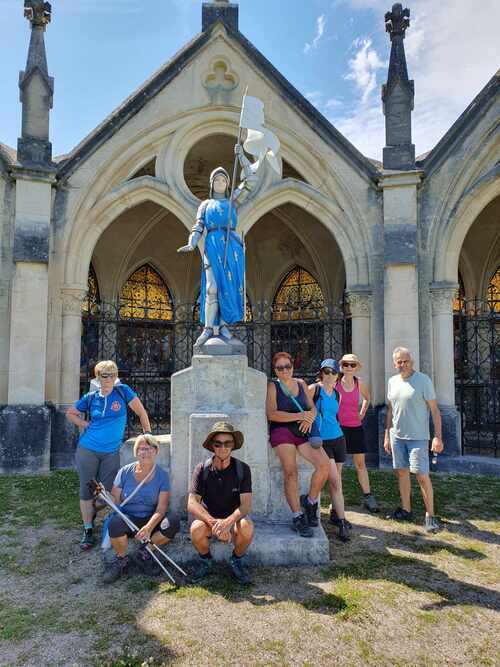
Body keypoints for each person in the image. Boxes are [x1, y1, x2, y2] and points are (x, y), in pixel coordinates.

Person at [66, 360, 151, 551]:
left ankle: (92, 511)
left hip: (111, 453)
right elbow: (70, 413)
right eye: (104, 375)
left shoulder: (122, 391)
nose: (109, 379)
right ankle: (88, 529)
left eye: (112, 375)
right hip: (87, 450)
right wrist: (86, 425)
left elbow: (141, 412)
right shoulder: (91, 397)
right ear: (97, 377)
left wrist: (148, 434)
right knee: (86, 489)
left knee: (107, 494)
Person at [177, 144, 256, 346]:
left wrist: (242, 157)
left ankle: (223, 327)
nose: (220, 182)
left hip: (231, 248)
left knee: (227, 287)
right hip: (212, 246)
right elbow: (198, 226)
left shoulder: (232, 201)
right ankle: (208, 329)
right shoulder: (205, 205)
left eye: (223, 179)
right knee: (212, 288)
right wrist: (191, 243)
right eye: (217, 179)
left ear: (227, 183)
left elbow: (251, 181)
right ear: (211, 183)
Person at [266, 352, 330, 537]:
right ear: (275, 370)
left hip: (303, 431)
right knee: (290, 471)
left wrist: (309, 417)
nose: (284, 370)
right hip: (282, 431)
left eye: (287, 366)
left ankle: (310, 502)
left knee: (324, 465)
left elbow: (313, 407)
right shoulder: (273, 386)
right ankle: (297, 516)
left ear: (293, 367)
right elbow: (272, 414)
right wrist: (300, 416)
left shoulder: (301, 384)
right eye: (280, 368)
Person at [102, 434, 179, 583]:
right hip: (128, 517)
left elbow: (161, 507)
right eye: (142, 449)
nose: (146, 452)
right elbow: (115, 499)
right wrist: (104, 497)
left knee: (173, 522)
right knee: (115, 524)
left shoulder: (162, 476)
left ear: (156, 451)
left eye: (150, 448)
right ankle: (121, 560)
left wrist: (149, 528)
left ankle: (144, 552)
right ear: (136, 452)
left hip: (151, 517)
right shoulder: (124, 472)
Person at [384, 347, 444, 533]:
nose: (402, 365)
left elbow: (434, 410)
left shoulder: (423, 380)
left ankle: (430, 516)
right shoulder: (392, 381)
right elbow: (390, 410)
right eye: (399, 362)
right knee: (402, 473)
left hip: (418, 437)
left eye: (406, 361)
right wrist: (387, 435)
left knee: (421, 475)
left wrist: (437, 437)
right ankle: (406, 509)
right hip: (397, 437)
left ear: (412, 362)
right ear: (394, 364)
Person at [188, 422, 254, 585]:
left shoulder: (242, 469)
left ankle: (236, 560)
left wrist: (228, 523)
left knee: (247, 527)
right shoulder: (202, 469)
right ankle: (206, 560)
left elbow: (245, 505)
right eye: (218, 443)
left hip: (233, 518)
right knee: (195, 529)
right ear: (212, 446)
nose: (223, 447)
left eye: (228, 443)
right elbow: (191, 503)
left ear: (233, 445)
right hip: (210, 519)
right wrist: (215, 523)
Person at [309, 359, 350, 542]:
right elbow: (305, 411)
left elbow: (335, 416)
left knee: (337, 481)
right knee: (334, 481)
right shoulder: (313, 390)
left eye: (333, 372)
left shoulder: (337, 394)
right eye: (326, 371)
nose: (330, 375)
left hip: (338, 438)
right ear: (321, 373)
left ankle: (335, 514)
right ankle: (341, 522)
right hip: (322, 441)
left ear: (337, 375)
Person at [337, 354, 378, 513]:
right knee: (338, 466)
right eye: (346, 364)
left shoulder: (359, 383)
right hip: (339, 428)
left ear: (356, 367)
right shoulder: (336, 383)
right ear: (341, 366)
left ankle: (368, 496)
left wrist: (361, 414)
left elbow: (367, 398)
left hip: (355, 427)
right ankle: (337, 498)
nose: (348, 367)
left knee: (360, 464)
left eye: (352, 365)